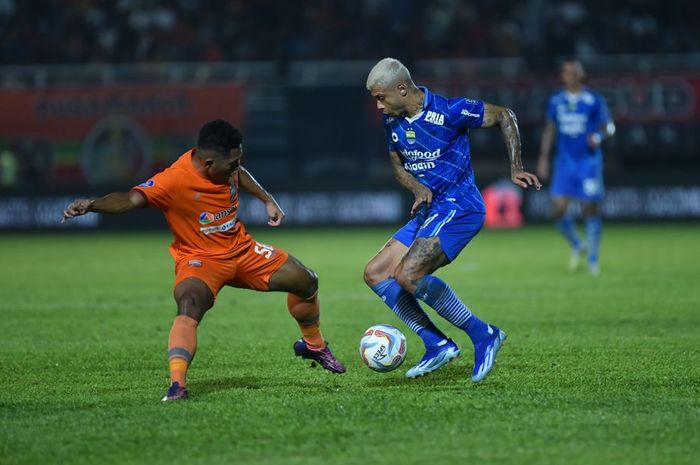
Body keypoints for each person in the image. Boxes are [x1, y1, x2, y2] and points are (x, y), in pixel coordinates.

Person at [62, 120, 346, 401]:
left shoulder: (226, 166)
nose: (236, 169)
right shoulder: (174, 180)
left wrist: (267, 199)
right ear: (209, 163)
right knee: (189, 304)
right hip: (200, 260)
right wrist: (92, 204)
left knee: (306, 281)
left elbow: (240, 173)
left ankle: (314, 346)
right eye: (232, 164)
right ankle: (177, 386)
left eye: (238, 161)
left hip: (242, 250)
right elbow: (130, 200)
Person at [363, 58, 541, 382]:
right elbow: (398, 165)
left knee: (408, 274)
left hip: (460, 206)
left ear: (402, 88)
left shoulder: (449, 111)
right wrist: (416, 187)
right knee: (375, 273)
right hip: (432, 210)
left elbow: (505, 115)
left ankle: (483, 333)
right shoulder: (393, 122)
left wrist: (515, 166)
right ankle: (437, 344)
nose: (378, 105)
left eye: (381, 97)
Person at [537, 59, 615, 276]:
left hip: (588, 163)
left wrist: (598, 137)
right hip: (564, 163)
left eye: (575, 71)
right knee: (558, 209)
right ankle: (577, 244)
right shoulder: (556, 101)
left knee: (590, 208)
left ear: (581, 74)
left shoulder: (594, 100)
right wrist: (543, 158)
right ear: (563, 76)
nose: (571, 75)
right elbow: (550, 130)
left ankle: (592, 259)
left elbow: (610, 126)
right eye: (567, 72)